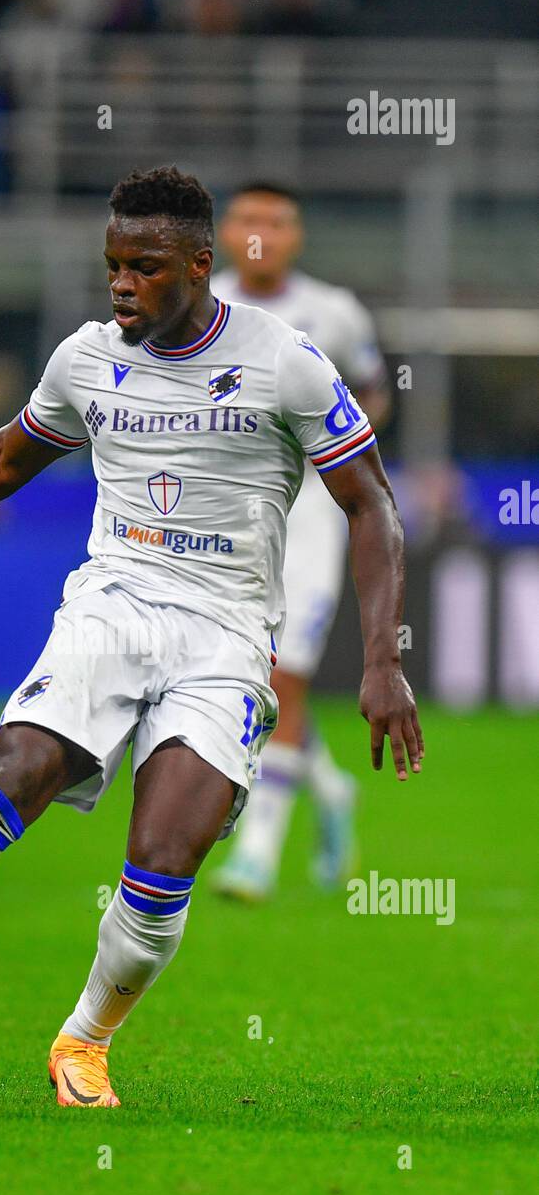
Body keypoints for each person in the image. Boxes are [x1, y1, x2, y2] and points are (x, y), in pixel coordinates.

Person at [0, 166, 422, 1108]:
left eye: (143, 268)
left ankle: (85, 1039)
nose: (120, 286)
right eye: (111, 265)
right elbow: (8, 457)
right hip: (111, 607)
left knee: (163, 858)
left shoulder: (287, 362)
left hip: (227, 636)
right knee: (13, 771)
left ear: (198, 263)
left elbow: (372, 505)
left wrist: (386, 659)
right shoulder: (88, 356)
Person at [211, 181, 392, 899]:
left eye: (277, 221)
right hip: (230, 516)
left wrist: (348, 455)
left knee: (284, 673)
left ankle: (255, 851)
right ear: (226, 232)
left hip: (313, 515)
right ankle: (331, 789)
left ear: (297, 235)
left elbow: (374, 388)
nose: (262, 233)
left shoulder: (334, 312)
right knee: (250, 675)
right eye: (249, 218)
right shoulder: (199, 306)